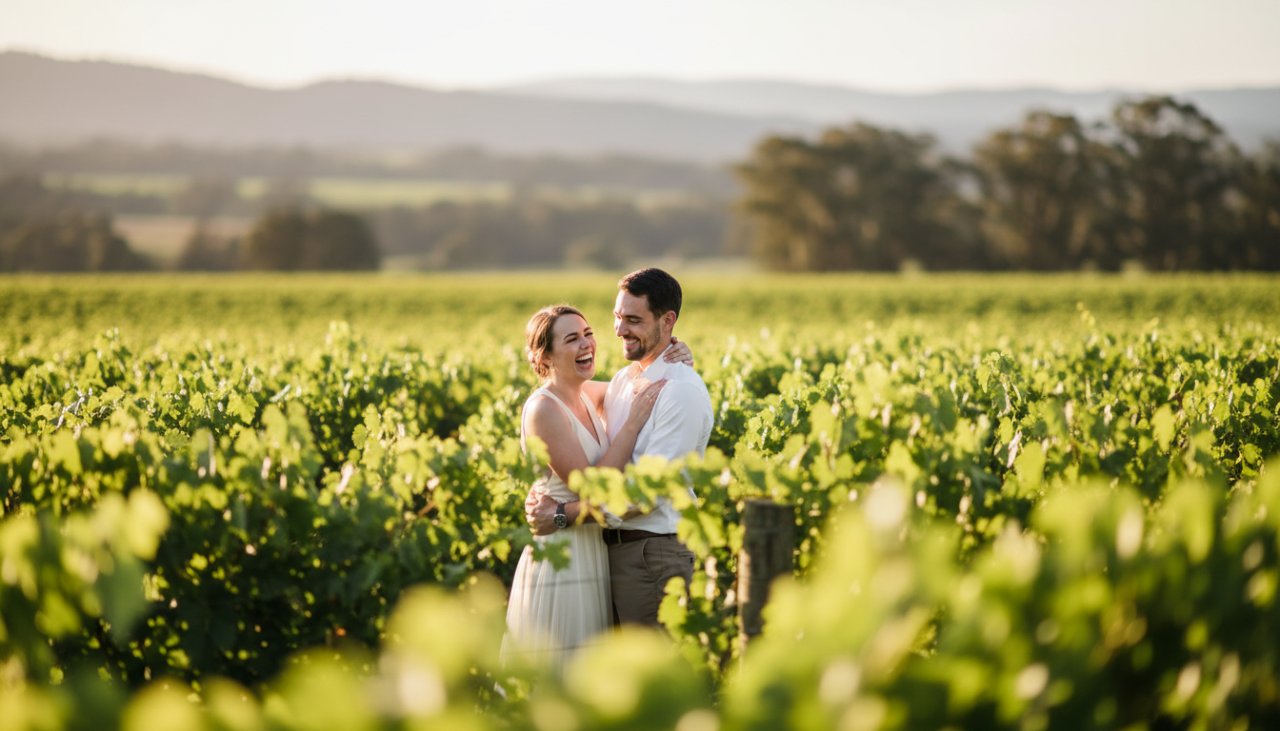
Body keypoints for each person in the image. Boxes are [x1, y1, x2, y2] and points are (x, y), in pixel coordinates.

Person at [502, 303, 693, 670]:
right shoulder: (544, 409)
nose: (586, 344)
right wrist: (633, 424)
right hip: (563, 558)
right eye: (572, 339)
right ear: (545, 355)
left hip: (593, 550)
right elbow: (594, 489)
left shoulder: (588, 394)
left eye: (588, 334)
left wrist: (676, 351)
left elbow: (645, 382)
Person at [528, 268, 713, 627]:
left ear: (667, 321)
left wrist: (562, 514)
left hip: (653, 555)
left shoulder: (679, 391)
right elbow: (562, 394)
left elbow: (643, 496)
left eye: (633, 319)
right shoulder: (623, 381)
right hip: (609, 555)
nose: (619, 330)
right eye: (616, 317)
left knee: (658, 675)